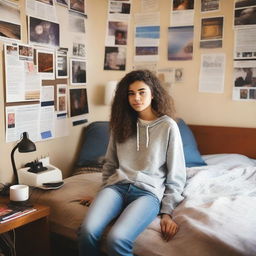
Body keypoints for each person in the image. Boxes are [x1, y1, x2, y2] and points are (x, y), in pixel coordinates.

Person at [78, 70, 186, 256]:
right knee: (86, 232)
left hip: (147, 193)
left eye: (142, 92)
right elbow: (110, 165)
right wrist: (101, 193)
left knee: (117, 239)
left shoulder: (167, 126)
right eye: (131, 93)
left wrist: (167, 212)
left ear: (153, 94)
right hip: (116, 188)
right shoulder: (120, 123)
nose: (136, 98)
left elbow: (176, 174)